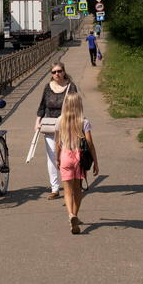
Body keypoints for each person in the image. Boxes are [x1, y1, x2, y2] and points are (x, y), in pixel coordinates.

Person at [55, 92, 98, 234]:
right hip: (79, 157)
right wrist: (96, 162)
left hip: (65, 156)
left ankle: (70, 215)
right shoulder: (84, 121)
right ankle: (75, 215)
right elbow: (90, 143)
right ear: (79, 105)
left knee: (67, 191)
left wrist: (57, 158)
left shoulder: (60, 121)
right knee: (78, 189)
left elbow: (58, 143)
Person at [34, 62, 78, 200]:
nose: (56, 74)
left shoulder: (71, 87)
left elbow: (75, 106)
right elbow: (42, 106)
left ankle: (70, 186)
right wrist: (37, 122)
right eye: (53, 72)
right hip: (49, 126)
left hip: (66, 126)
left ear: (64, 72)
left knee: (68, 157)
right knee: (52, 156)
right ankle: (55, 188)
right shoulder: (48, 87)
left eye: (59, 71)